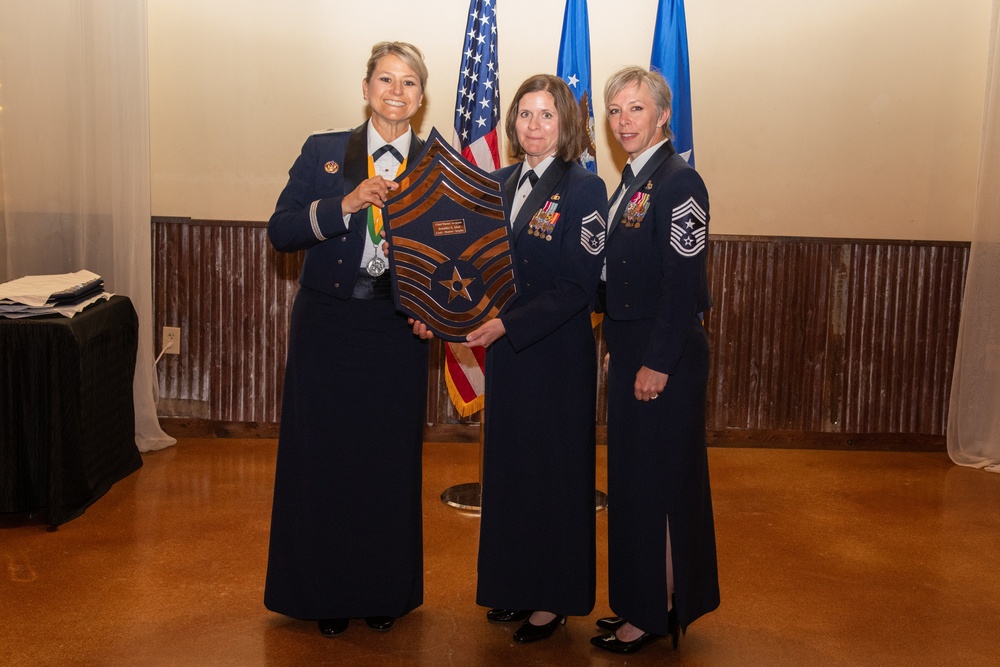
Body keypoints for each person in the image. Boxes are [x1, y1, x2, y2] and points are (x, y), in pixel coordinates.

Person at [412, 74, 607, 644]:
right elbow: (468, 266)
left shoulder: (584, 189)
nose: (535, 125)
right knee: (510, 475)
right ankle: (512, 586)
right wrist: (437, 309)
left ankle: (553, 599)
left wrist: (502, 325)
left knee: (555, 477)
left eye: (547, 115)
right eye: (525, 114)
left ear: (566, 123)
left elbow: (576, 287)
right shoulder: (495, 184)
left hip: (555, 357)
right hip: (506, 356)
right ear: (512, 123)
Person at [263, 41, 430, 638]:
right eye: (386, 79)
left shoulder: (438, 161)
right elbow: (280, 231)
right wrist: (343, 205)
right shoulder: (325, 150)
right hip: (328, 325)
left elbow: (452, 251)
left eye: (409, 82)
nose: (396, 91)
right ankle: (324, 593)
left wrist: (434, 309)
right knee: (323, 461)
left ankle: (383, 591)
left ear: (420, 95)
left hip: (397, 330)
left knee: (388, 464)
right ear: (366, 89)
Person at [591, 66, 720, 654]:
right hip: (635, 353)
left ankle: (657, 609)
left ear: (664, 115)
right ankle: (644, 598)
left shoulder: (679, 182)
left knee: (661, 486)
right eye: (615, 111)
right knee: (637, 484)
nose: (623, 122)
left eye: (635, 109)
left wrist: (657, 362)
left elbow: (680, 281)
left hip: (663, 361)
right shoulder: (630, 183)